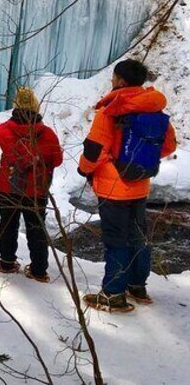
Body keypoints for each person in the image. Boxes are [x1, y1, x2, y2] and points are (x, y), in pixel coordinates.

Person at [78, 59, 176, 312]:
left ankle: (113, 294)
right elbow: (168, 146)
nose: (111, 80)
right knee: (138, 236)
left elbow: (94, 149)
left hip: (113, 187)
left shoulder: (111, 110)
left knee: (116, 240)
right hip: (139, 183)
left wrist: (84, 170)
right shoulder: (154, 110)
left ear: (121, 80)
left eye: (113, 77)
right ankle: (137, 286)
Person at [0, 87, 64, 283]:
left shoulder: (2, 130)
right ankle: (39, 269)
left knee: (8, 225)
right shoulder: (48, 133)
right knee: (36, 227)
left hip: (8, 187)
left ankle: (8, 262)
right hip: (37, 190)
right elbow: (58, 160)